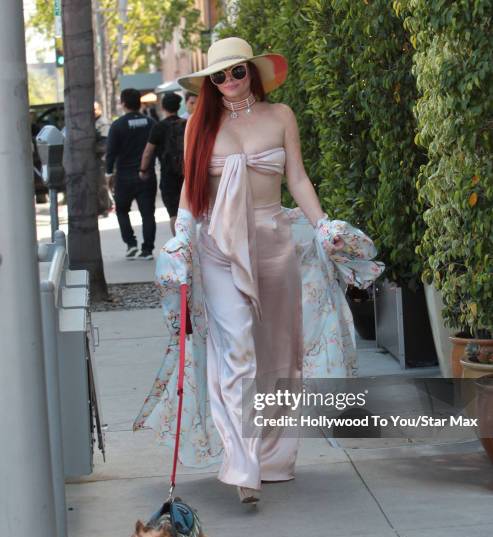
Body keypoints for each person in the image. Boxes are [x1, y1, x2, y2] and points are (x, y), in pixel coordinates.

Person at [133, 38, 385, 504]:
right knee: (237, 352)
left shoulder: (281, 116)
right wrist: (183, 233)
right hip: (218, 248)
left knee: (278, 354)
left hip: (273, 242)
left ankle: (273, 458)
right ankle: (242, 462)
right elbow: (190, 186)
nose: (229, 82)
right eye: (219, 76)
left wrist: (324, 224)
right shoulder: (199, 125)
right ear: (210, 83)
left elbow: (298, 178)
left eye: (237, 72)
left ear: (253, 72)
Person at [106, 88, 157, 260]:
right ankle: (148, 249)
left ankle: (131, 244)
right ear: (139, 102)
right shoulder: (150, 123)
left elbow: (111, 152)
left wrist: (108, 173)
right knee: (148, 213)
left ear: (123, 103)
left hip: (124, 176)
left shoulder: (118, 125)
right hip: (147, 174)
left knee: (121, 210)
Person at [139, 92, 186, 236]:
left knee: (174, 214)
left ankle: (181, 247)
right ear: (178, 107)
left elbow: (148, 152)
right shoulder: (187, 124)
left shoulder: (159, 127)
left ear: (163, 107)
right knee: (190, 211)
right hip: (188, 174)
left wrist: (143, 170)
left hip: (168, 175)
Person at [94, 101, 112, 217]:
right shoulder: (94, 122)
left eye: (94, 109)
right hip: (95, 158)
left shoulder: (103, 123)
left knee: (101, 185)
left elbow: (105, 144)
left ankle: (104, 208)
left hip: (101, 158)